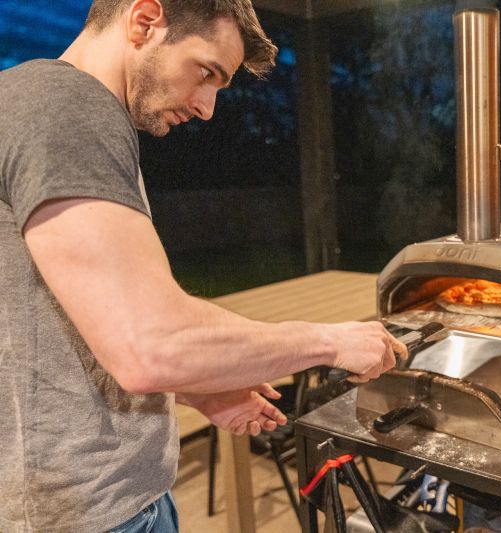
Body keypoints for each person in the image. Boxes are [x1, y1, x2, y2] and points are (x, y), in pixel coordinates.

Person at [0, 1, 407, 531]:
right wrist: (329, 342)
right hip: (87, 515)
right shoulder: (68, 108)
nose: (207, 108)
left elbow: (71, 318)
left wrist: (196, 384)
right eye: (206, 73)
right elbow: (150, 345)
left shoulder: (43, 107)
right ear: (145, 20)